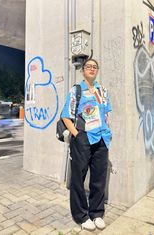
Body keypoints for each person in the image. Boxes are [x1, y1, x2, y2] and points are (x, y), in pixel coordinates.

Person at [61, 59, 112, 231]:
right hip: (83, 139)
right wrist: (77, 135)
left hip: (101, 140)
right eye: (88, 67)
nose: (91, 69)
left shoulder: (102, 91)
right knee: (78, 179)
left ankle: (96, 213)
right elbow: (65, 116)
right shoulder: (76, 91)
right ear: (83, 71)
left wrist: (106, 129)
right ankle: (81, 216)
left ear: (97, 70)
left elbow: (107, 113)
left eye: (94, 67)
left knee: (98, 179)